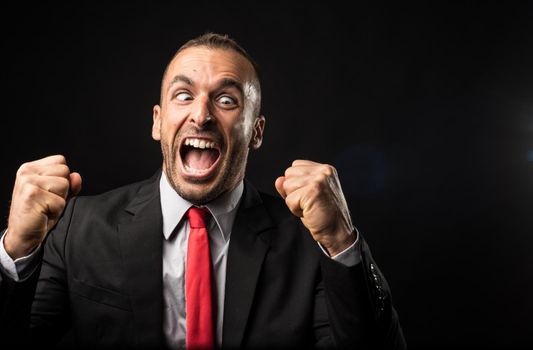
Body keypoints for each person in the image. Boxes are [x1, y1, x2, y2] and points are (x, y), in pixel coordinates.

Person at [0, 32, 406, 349]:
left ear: (256, 131)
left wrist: (341, 242)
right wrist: (16, 249)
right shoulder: (77, 228)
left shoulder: (309, 242)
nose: (201, 115)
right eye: (183, 95)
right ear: (158, 122)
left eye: (226, 100)